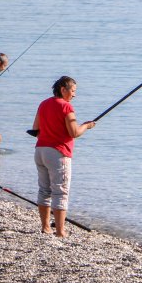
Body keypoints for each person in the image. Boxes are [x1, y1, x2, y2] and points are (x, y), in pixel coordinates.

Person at [32, 76, 95, 237]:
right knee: (60, 192)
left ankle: (46, 227)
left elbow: (35, 129)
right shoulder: (66, 107)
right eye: (73, 91)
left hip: (40, 151)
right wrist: (86, 126)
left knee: (44, 190)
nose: (74, 95)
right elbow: (74, 133)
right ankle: (60, 231)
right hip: (58, 153)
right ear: (63, 89)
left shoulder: (44, 104)